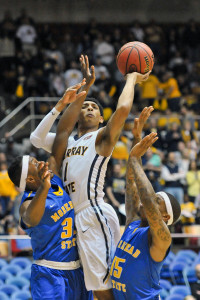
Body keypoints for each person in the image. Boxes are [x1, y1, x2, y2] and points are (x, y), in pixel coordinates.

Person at [30, 55, 151, 300]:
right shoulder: (66, 143)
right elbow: (37, 137)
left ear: (101, 119)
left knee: (104, 287)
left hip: (93, 213)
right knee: (94, 288)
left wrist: (131, 79)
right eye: (85, 105)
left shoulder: (100, 138)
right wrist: (81, 91)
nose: (88, 108)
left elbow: (124, 109)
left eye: (94, 107)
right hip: (75, 219)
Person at [8, 80, 93, 300]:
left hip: (76, 270)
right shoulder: (28, 201)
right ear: (30, 178)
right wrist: (44, 189)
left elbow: (63, 132)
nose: (42, 162)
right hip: (49, 272)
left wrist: (70, 100)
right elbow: (31, 218)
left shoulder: (54, 178)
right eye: (36, 163)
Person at [110, 107, 181, 299]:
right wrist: (136, 142)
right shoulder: (133, 223)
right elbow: (131, 183)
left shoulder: (162, 239)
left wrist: (134, 157)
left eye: (158, 201)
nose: (147, 201)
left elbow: (147, 199)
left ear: (165, 217)